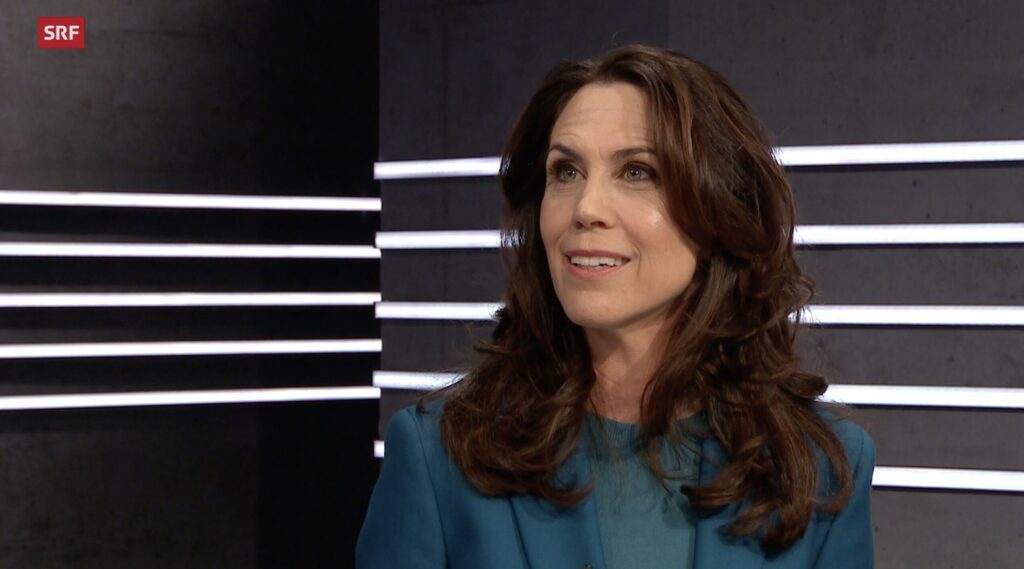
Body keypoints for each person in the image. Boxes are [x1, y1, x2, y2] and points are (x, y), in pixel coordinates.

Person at [357, 43, 875, 569]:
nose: (586, 208)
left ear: (720, 209)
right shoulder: (438, 455)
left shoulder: (819, 468)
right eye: (566, 171)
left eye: (637, 172)